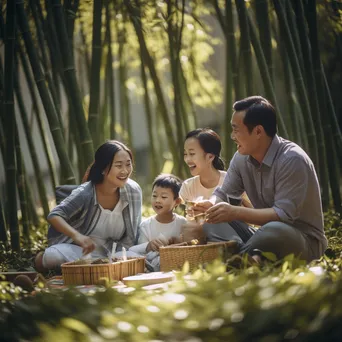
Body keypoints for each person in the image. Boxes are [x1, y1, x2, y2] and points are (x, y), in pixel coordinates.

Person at [194, 96, 327, 263]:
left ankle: (237, 259)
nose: (232, 136)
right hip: (263, 237)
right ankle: (250, 259)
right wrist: (211, 205)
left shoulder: (292, 159)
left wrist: (235, 212)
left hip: (302, 241)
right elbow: (223, 194)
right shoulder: (241, 158)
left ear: (258, 131)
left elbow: (282, 216)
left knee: (275, 230)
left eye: (236, 130)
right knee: (212, 220)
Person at [35, 140, 142, 271]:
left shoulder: (133, 191)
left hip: (116, 252)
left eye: (128, 164)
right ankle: (41, 260)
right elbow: (54, 215)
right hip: (83, 252)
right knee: (53, 256)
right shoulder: (86, 194)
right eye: (119, 166)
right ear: (103, 168)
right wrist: (77, 236)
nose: (125, 171)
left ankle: (97, 267)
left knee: (137, 256)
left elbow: (133, 233)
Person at [130, 174, 187, 255]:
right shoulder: (146, 225)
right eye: (154, 195)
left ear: (177, 201)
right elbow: (139, 252)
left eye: (163, 197)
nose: (157, 200)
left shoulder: (183, 223)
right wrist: (148, 246)